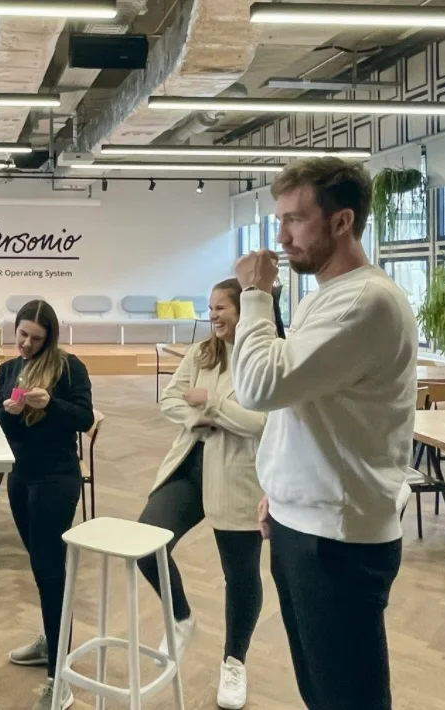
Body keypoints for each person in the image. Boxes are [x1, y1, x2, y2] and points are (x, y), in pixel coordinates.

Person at [232, 157, 416, 710]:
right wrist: (281, 488)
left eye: (294, 220)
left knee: (348, 697)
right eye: (279, 221)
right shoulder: (326, 296)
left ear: (341, 221)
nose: (281, 238)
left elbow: (259, 386)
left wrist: (255, 295)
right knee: (321, 691)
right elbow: (300, 402)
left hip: (338, 537)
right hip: (306, 520)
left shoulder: (366, 300)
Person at [136, 278, 267, 710]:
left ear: (245, 312)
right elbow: (170, 401)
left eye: (221, 308)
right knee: (146, 544)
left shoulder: (265, 360)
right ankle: (180, 618)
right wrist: (208, 417)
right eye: (210, 309)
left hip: (239, 476)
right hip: (190, 466)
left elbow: (263, 423)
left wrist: (209, 403)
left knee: (240, 574)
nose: (213, 316)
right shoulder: (201, 353)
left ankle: (234, 661)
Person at [0, 300, 94, 710]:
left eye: (35, 339)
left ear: (49, 338)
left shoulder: (69, 368)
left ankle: (59, 676)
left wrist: (50, 404)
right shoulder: (8, 370)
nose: (26, 344)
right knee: (41, 565)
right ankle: (52, 641)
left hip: (56, 478)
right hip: (20, 476)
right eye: (22, 335)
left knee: (51, 571)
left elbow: (84, 418)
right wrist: (8, 411)